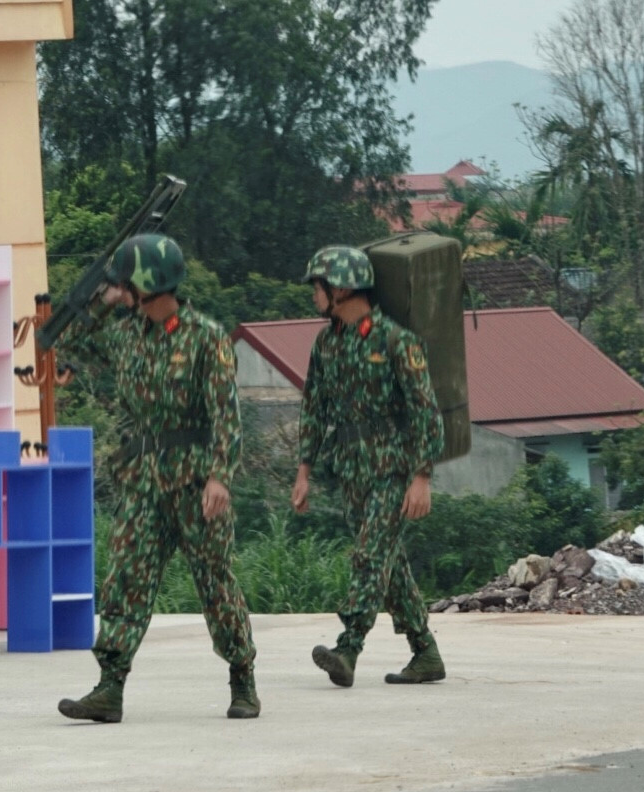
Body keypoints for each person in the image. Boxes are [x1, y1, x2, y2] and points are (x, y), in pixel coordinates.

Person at [56, 233, 260, 723]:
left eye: (126, 283)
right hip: (143, 480)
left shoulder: (205, 336)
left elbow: (226, 414)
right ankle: (110, 687)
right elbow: (73, 341)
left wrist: (220, 476)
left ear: (147, 283)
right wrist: (103, 303)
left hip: (195, 481)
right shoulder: (126, 334)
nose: (120, 289)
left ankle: (242, 677)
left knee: (215, 582)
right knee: (126, 578)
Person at [290, 245, 447, 687]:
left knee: (370, 556)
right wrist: (304, 470)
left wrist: (422, 476)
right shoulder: (326, 343)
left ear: (341, 289)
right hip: (351, 469)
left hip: (393, 469)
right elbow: (314, 408)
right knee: (387, 563)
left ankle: (348, 648)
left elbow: (426, 412)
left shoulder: (396, 341)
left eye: (318, 287)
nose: (314, 295)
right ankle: (425, 652)